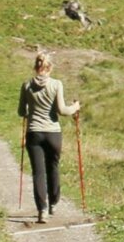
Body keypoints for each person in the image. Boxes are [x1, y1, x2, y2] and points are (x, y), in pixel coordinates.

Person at [16, 50, 83, 223]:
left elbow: (21, 111)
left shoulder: (26, 85)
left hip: (34, 133)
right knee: (53, 167)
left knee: (38, 172)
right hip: (53, 133)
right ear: (50, 67)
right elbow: (62, 111)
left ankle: (42, 210)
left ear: (36, 66)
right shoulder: (56, 84)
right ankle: (54, 202)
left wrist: (30, 110)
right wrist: (75, 107)